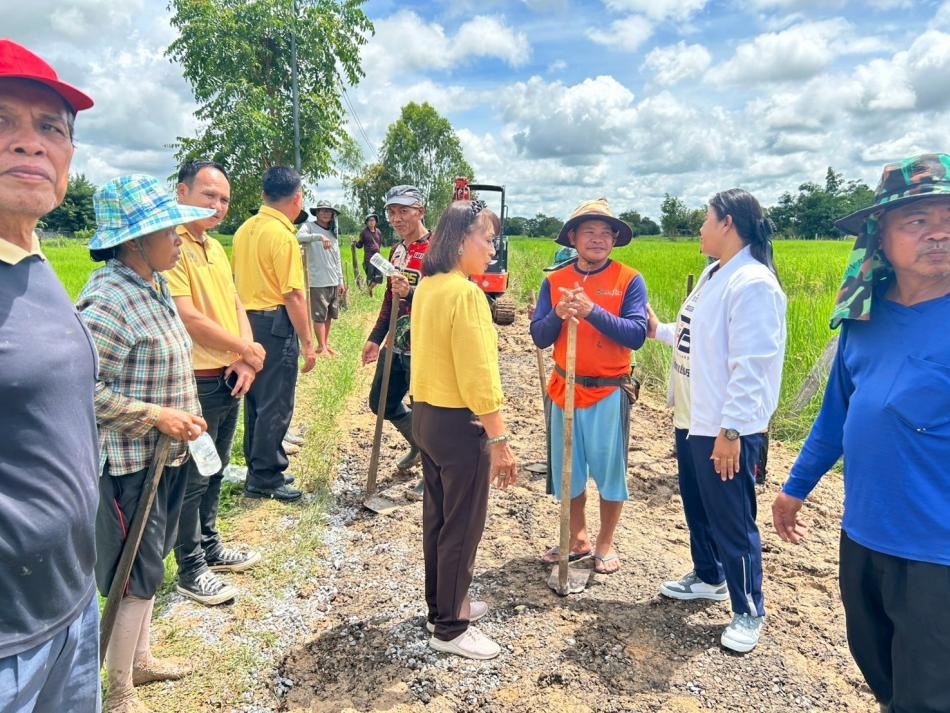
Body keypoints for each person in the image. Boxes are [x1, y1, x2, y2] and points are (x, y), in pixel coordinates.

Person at [772, 154, 950, 712]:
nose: (939, 231)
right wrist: (796, 487)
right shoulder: (864, 320)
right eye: (917, 220)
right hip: (866, 535)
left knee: (928, 695)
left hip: (937, 553)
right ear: (881, 237)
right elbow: (837, 418)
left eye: (948, 216)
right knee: (879, 667)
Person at [78, 174, 213, 712]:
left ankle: (141, 659)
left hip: (166, 457)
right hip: (132, 463)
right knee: (132, 574)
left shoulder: (151, 286)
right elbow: (82, 390)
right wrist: (155, 416)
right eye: (167, 230)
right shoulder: (109, 299)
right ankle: (117, 691)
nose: (179, 238)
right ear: (135, 241)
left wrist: (181, 420)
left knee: (150, 561)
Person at [0, 40, 101, 712]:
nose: (29, 144)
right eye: (1, 122)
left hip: (70, 605)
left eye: (51, 128)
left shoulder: (34, 263)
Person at [648, 188, 786, 654]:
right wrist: (657, 330)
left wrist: (731, 433)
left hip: (726, 427)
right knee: (697, 505)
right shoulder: (715, 273)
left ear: (727, 223)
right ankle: (709, 577)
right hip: (693, 417)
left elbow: (753, 366)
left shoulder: (753, 284)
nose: (700, 229)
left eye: (706, 219)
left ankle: (749, 610)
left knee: (732, 517)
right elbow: (693, 339)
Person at [410, 200, 518, 660]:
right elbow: (479, 376)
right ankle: (452, 628)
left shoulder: (427, 287)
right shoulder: (467, 294)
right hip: (460, 424)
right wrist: (500, 439)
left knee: (438, 519)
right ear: (458, 242)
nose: (492, 249)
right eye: (487, 239)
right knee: (463, 526)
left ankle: (443, 606)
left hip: (427, 417)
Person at [164, 160, 263, 606]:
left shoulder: (214, 247)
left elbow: (234, 301)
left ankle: (209, 544)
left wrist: (245, 356)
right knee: (192, 478)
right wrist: (243, 351)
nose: (218, 206)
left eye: (223, 199)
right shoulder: (170, 246)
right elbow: (188, 317)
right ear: (182, 192)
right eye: (209, 196)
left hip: (228, 377)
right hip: (195, 381)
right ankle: (189, 568)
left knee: (216, 468)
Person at [530, 199, 647, 576]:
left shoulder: (629, 280)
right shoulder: (555, 282)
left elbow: (636, 335)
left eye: (605, 233)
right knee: (569, 468)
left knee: (610, 471)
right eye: (588, 232)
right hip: (565, 388)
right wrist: (558, 314)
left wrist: (592, 313)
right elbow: (539, 336)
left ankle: (605, 542)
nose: (597, 239)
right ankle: (576, 537)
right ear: (574, 238)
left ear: (614, 239)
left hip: (609, 391)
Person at [232, 166, 317, 502]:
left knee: (255, 402)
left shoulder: (244, 230)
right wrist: (309, 343)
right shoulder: (282, 236)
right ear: (296, 199)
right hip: (275, 323)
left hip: (247, 322)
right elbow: (293, 294)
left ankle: (260, 466)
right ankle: (266, 477)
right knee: (276, 402)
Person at [361, 185, 431, 481]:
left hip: (426, 345)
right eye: (391, 211)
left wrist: (413, 291)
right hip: (396, 342)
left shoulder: (438, 249)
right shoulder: (397, 250)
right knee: (381, 401)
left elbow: (446, 297)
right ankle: (419, 444)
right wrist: (375, 338)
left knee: (427, 411)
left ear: (421, 211)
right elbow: (390, 299)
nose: (396, 217)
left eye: (404, 210)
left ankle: (434, 469)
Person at [297, 200, 345, 356]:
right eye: (322, 211)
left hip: (332, 279)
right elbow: (298, 237)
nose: (325, 213)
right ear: (316, 213)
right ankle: (321, 346)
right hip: (317, 279)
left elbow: (337, 259)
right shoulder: (309, 227)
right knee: (319, 314)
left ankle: (324, 344)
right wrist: (318, 237)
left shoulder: (333, 233)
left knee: (330, 314)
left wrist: (340, 280)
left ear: (332, 215)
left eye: (328, 211)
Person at [356, 212, 383, 296]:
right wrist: (354, 243)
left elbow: (379, 243)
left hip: (377, 258)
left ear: (375, 222)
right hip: (369, 258)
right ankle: (370, 295)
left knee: (379, 276)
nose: (371, 222)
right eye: (369, 220)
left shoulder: (378, 232)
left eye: (373, 220)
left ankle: (367, 291)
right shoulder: (364, 232)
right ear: (367, 222)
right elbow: (360, 245)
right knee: (370, 277)